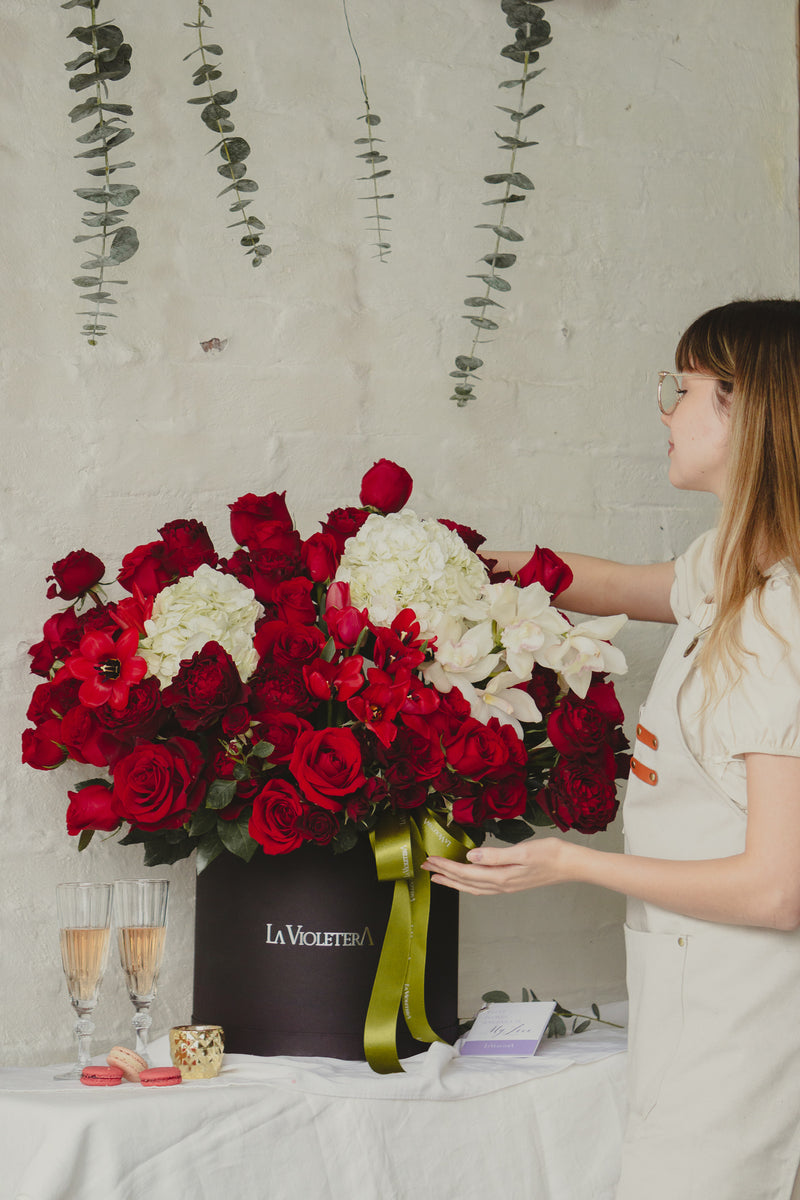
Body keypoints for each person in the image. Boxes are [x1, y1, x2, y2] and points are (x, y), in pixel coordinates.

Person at [422, 299, 800, 1200]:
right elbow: (637, 586)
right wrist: (466, 568)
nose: (666, 412)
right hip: (693, 995)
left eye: (685, 389)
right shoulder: (733, 564)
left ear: (746, 409)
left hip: (742, 1013)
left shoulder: (777, 622)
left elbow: (777, 887)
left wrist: (572, 865)